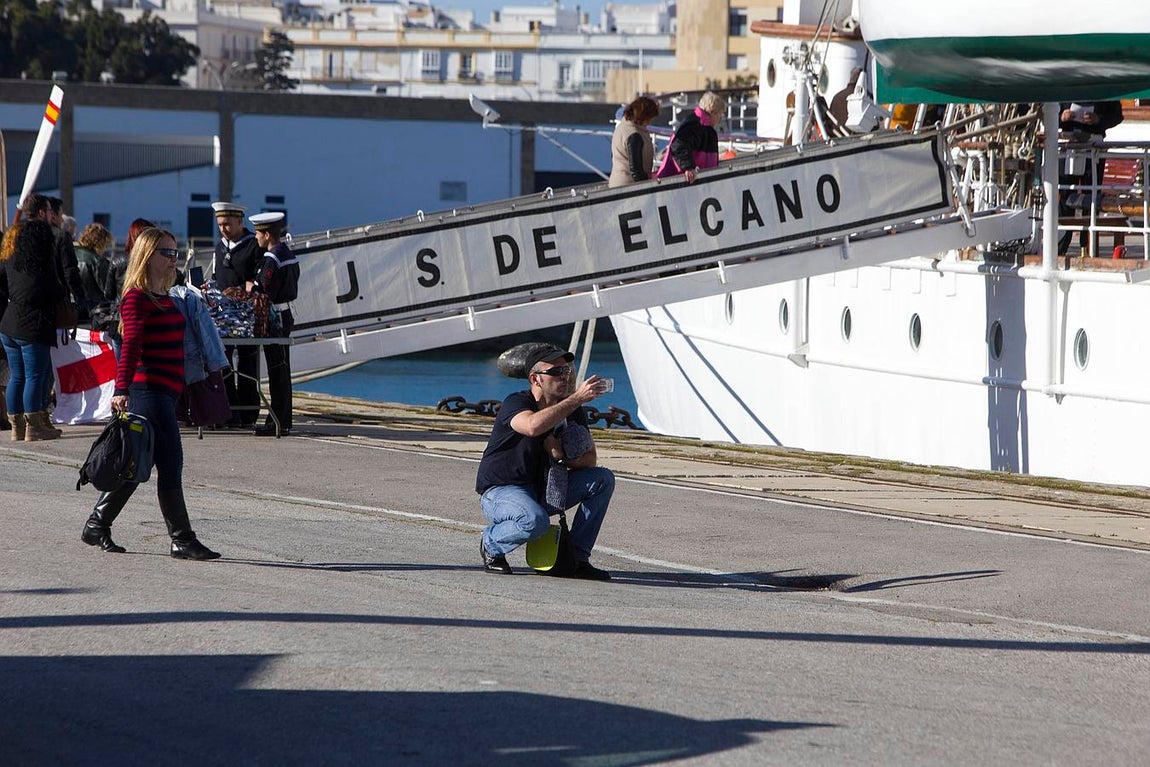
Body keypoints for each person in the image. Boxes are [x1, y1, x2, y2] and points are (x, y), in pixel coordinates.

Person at [80, 227, 221, 560]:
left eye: (175, 253)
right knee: (170, 463)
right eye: (166, 253)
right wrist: (121, 388)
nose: (173, 259)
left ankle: (97, 524)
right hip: (148, 389)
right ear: (147, 256)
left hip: (167, 391)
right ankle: (182, 539)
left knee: (136, 462)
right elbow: (130, 345)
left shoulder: (167, 296)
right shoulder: (136, 298)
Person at [475, 343, 615, 580]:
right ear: (535, 378)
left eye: (567, 371)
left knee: (602, 479)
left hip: (545, 490)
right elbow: (531, 426)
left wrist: (560, 456)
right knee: (534, 521)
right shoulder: (517, 403)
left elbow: (590, 459)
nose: (565, 376)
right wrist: (576, 398)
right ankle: (491, 544)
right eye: (556, 372)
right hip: (502, 491)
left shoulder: (572, 410)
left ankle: (578, 559)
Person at [0, 220, 66, 441]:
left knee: (17, 376)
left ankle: (16, 428)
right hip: (33, 326)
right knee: (35, 376)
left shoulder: (10, 259)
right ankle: (34, 427)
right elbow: (57, 294)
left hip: (8, 324)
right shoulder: (42, 264)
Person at [249, 211, 300, 436]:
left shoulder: (272, 259)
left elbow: (265, 291)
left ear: (267, 235)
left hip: (275, 318)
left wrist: (252, 287)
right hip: (286, 313)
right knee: (283, 369)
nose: (256, 238)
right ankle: (282, 419)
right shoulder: (289, 254)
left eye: (258, 233)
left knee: (277, 369)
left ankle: (278, 421)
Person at [210, 201, 261, 427]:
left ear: (239, 222)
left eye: (228, 224)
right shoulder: (220, 247)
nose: (223, 229)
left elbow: (257, 280)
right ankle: (230, 409)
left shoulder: (252, 246)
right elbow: (216, 275)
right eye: (220, 224)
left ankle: (249, 412)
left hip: (245, 315)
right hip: (223, 317)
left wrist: (248, 288)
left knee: (249, 363)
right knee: (224, 363)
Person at [1058, 101, 1124, 254]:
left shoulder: (1103, 87)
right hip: (1067, 144)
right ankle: (1060, 249)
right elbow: (1046, 111)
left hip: (1094, 145)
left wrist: (1098, 119)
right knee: (1065, 197)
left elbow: (1117, 115)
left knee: (1091, 198)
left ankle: (1088, 249)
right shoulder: (1063, 85)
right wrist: (1062, 116)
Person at [654, 91, 726, 184]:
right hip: (677, 180)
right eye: (719, 115)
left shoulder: (701, 126)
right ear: (712, 112)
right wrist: (688, 167)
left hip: (694, 181)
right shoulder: (695, 126)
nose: (720, 120)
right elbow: (678, 145)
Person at [608, 96, 660, 188]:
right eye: (650, 117)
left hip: (617, 182)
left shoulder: (622, 127)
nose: (650, 121)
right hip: (629, 187)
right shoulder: (634, 135)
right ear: (644, 116)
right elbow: (636, 172)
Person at [74, 223, 114, 322]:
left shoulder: (71, 253)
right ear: (100, 242)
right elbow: (108, 292)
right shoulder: (98, 261)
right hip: (93, 312)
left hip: (72, 311)